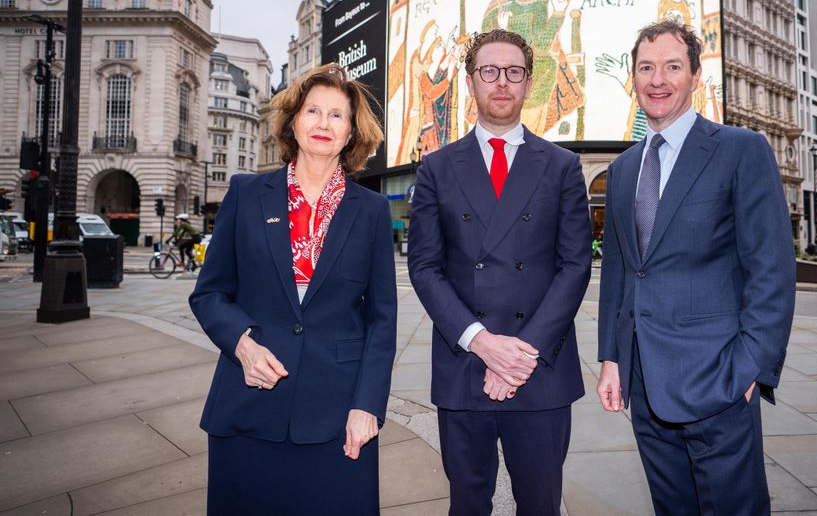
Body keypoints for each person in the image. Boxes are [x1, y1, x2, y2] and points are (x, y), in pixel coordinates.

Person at [596, 20, 795, 515]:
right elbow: (620, 275)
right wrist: (612, 359)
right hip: (644, 384)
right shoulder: (622, 170)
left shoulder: (740, 150)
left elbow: (771, 269)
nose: (658, 80)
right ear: (633, 79)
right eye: (646, 68)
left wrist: (749, 368)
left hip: (719, 381)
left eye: (671, 67)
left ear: (695, 75)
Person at [189, 63, 397, 515]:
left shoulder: (373, 211)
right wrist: (242, 345)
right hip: (248, 403)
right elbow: (209, 294)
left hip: (339, 414)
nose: (324, 123)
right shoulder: (246, 193)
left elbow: (382, 320)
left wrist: (368, 405)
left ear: (351, 132)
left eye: (337, 115)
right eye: (312, 111)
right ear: (293, 122)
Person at [408, 29, 592, 516]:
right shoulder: (436, 168)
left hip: (539, 369)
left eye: (514, 71)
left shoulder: (562, 166)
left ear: (529, 82)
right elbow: (424, 267)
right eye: (489, 71)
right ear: (471, 82)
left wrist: (520, 356)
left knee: (541, 506)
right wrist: (483, 343)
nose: (502, 82)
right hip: (465, 364)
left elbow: (575, 266)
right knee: (467, 505)